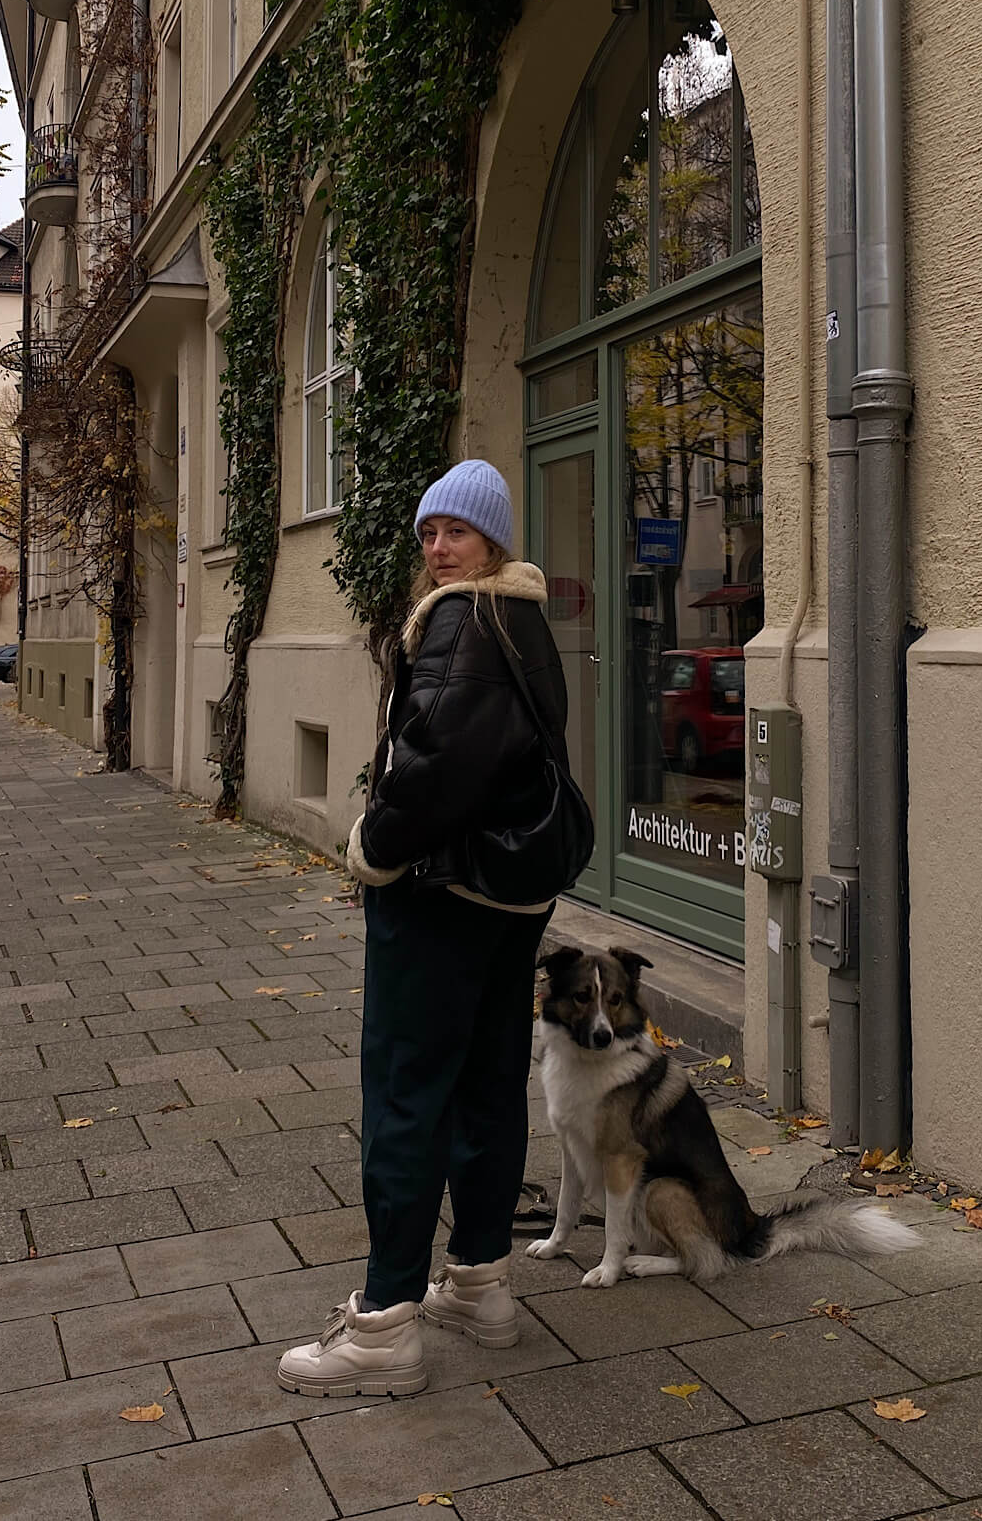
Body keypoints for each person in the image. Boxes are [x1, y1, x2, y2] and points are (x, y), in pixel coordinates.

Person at [278, 458, 569, 1398]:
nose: (440, 549)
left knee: (407, 1093)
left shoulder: (462, 618)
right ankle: (482, 1283)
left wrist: (373, 845)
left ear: (494, 539)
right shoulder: (523, 618)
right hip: (511, 897)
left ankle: (384, 1324)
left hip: (441, 892)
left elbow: (437, 763)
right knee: (488, 1084)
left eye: (458, 532)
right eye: (430, 533)